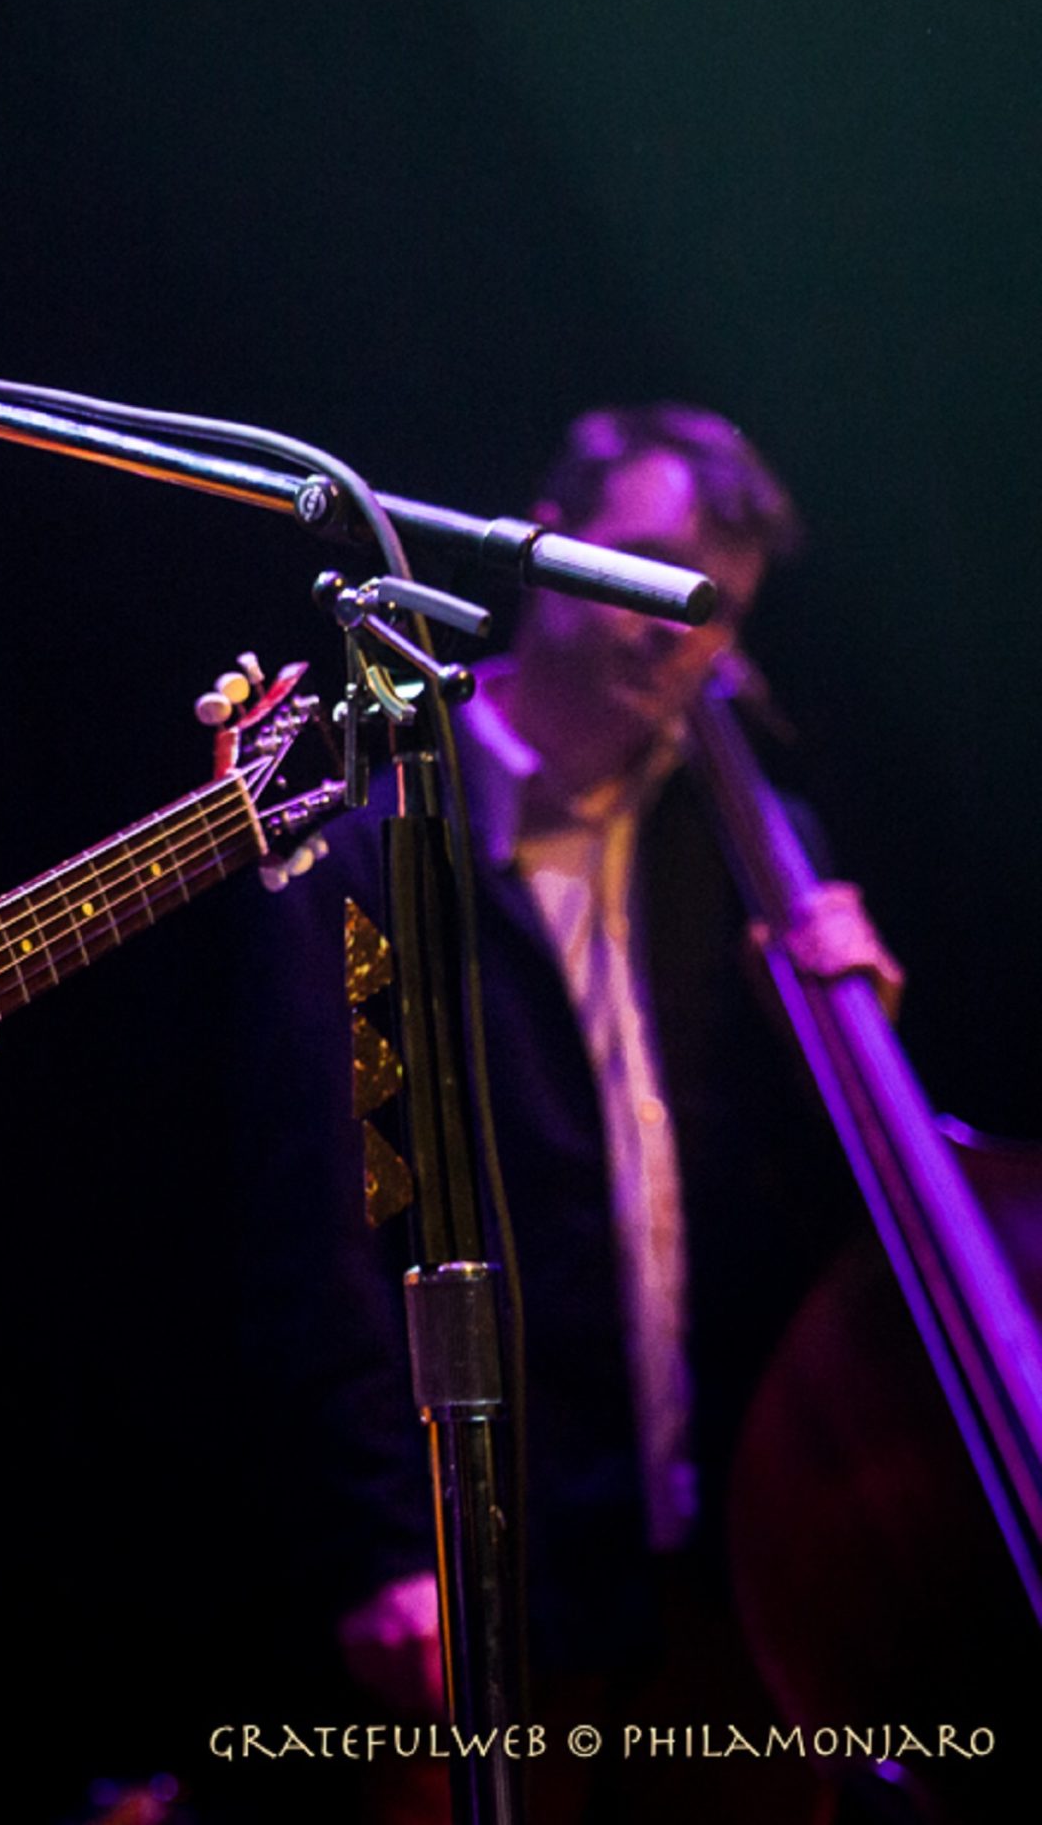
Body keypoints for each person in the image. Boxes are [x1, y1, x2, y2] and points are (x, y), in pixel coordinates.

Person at [212, 405, 900, 1823]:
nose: (671, 632)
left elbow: (799, 1226)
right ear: (545, 547)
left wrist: (852, 1051)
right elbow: (319, 1202)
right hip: (480, 1567)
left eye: (710, 606)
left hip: (714, 1559)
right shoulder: (381, 810)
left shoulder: (743, 843)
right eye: (642, 570)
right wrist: (380, 1541)